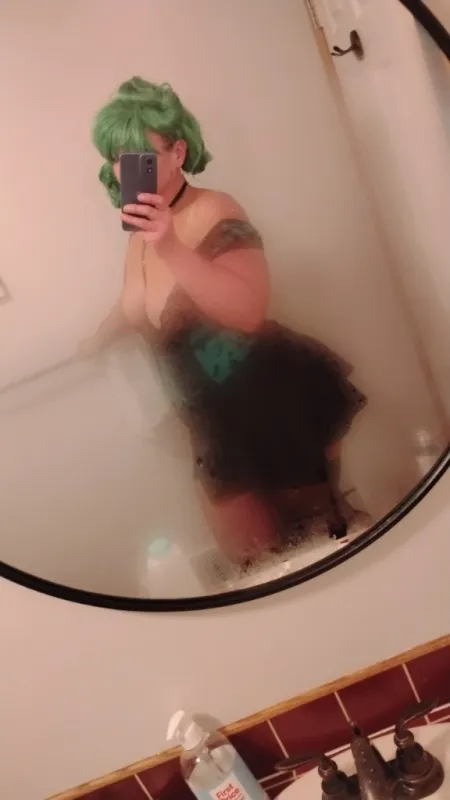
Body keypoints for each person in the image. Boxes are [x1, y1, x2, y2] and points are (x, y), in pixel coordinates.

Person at [81, 76, 367, 565]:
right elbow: (134, 304)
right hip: (212, 418)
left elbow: (248, 312)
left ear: (177, 153)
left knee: (322, 549)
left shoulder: (214, 208)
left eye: (139, 155)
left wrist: (170, 246)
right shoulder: (139, 236)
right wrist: (94, 343)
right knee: (256, 565)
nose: (126, 169)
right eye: (117, 158)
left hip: (271, 403)